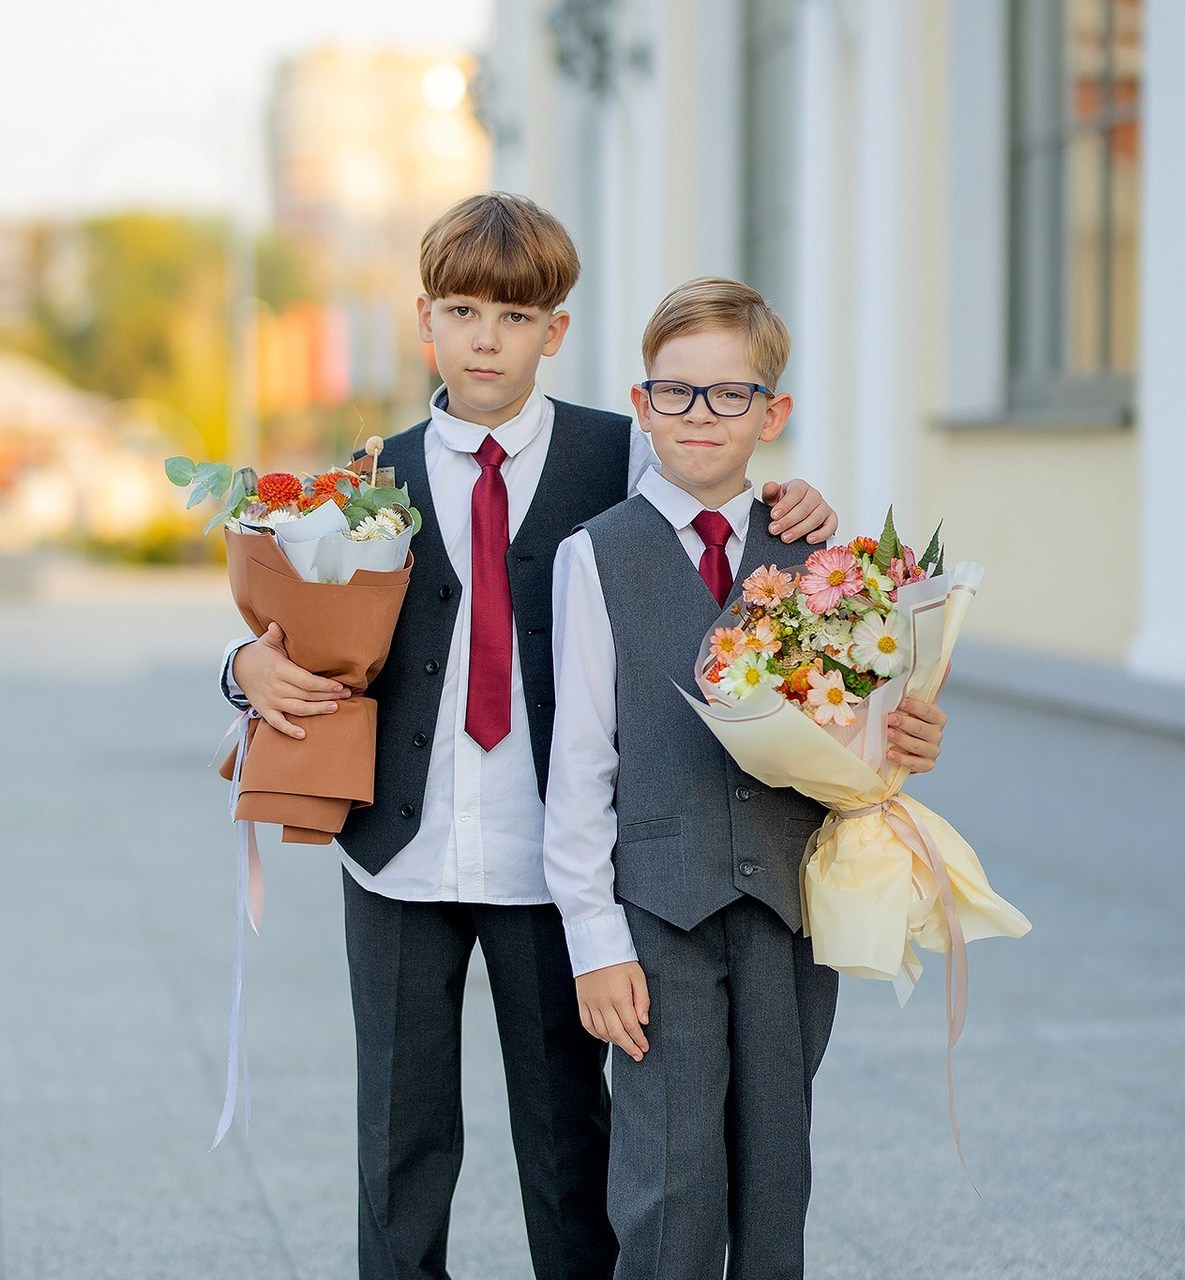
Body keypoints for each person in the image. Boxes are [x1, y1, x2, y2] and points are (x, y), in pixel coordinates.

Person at [220, 194, 841, 1280]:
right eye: (461, 310)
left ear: (555, 330)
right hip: (397, 849)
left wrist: (799, 507)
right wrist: (239, 668)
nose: (485, 336)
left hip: (551, 867)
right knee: (398, 1137)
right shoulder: (371, 476)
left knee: (568, 1141)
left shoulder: (622, 456)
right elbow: (287, 627)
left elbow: (714, 516)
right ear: (425, 321)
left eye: (513, 316)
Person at [543, 276, 947, 1280]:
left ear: (773, 412)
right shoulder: (593, 558)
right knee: (668, 1187)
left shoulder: (822, 556)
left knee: (775, 1175)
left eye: (729, 394)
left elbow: (857, 732)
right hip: (657, 919)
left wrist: (905, 736)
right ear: (640, 406)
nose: (698, 414)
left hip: (787, 906)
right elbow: (579, 765)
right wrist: (594, 944)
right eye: (673, 391)